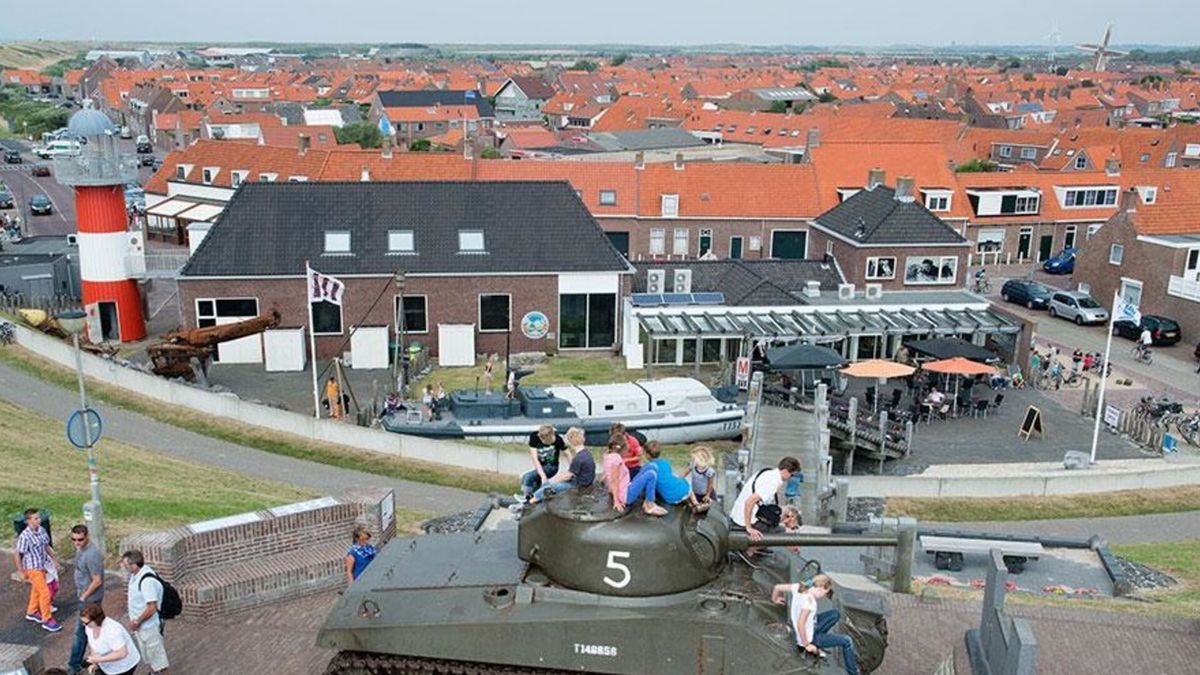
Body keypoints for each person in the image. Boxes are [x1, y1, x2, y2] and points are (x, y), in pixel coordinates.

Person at [772, 575, 859, 675]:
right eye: (825, 593)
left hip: (813, 625)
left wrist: (775, 599)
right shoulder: (809, 603)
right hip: (809, 637)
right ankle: (853, 673)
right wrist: (807, 645)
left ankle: (819, 644)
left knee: (835, 614)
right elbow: (801, 624)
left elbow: (777, 587)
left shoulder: (799, 587)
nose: (823, 596)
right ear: (821, 588)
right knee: (847, 641)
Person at [120, 550, 169, 675]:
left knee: (159, 659)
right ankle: (155, 673)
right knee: (151, 655)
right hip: (143, 627)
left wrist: (137, 621)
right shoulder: (137, 575)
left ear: (134, 565)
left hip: (149, 626)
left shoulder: (146, 582)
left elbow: (151, 607)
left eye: (126, 565)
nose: (124, 567)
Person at [14, 508, 62, 632]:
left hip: (42, 566)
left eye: (38, 517)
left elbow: (46, 546)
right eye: (35, 518)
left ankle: (32, 611)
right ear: (28, 521)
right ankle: (47, 620)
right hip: (32, 568)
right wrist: (20, 571)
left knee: (37, 590)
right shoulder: (25, 536)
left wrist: (55, 561)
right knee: (45, 593)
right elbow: (18, 554)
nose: (39, 520)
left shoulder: (42, 531)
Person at [730, 457, 800, 541]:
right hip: (744, 520)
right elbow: (749, 501)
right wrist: (749, 528)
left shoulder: (767, 472)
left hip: (737, 514)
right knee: (784, 532)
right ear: (785, 471)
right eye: (791, 475)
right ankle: (750, 552)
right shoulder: (772, 482)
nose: (790, 478)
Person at [68, 525, 105, 675]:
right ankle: (87, 660)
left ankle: (73, 665)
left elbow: (97, 580)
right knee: (88, 630)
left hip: (89, 600)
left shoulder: (91, 555)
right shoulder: (81, 549)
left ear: (87, 537)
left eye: (80, 539)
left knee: (81, 632)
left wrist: (84, 596)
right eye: (74, 539)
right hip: (85, 597)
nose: (77, 542)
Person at [602, 436, 666, 516]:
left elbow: (608, 473)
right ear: (623, 449)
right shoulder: (616, 459)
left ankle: (648, 498)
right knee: (651, 474)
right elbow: (614, 480)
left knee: (651, 466)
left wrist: (604, 479)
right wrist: (616, 501)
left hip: (626, 486)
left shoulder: (608, 455)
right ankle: (649, 504)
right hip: (626, 495)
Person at [530, 427, 595, 503]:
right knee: (550, 482)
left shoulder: (578, 458)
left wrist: (552, 480)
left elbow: (568, 475)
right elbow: (572, 472)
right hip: (583, 482)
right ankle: (535, 495)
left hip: (578, 485)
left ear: (571, 441)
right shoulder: (586, 453)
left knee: (551, 487)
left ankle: (532, 500)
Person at [80, 603, 141, 675]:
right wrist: (94, 663)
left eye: (86, 623)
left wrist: (98, 660)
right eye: (83, 622)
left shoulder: (112, 630)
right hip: (107, 665)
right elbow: (93, 646)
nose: (84, 625)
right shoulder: (89, 627)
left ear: (96, 620)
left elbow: (121, 653)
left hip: (124, 666)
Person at [517, 425, 567, 502]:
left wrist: (573, 469)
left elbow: (568, 453)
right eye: (541, 440)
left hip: (552, 467)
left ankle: (527, 498)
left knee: (528, 477)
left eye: (545, 441)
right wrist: (542, 475)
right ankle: (531, 495)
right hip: (540, 465)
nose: (543, 442)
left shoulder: (558, 440)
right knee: (527, 478)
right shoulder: (534, 436)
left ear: (551, 436)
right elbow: (535, 458)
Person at [644, 442, 691, 508]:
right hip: (684, 488)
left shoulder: (648, 467)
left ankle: (686, 501)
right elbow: (667, 476)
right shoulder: (665, 462)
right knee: (680, 485)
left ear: (647, 455)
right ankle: (690, 502)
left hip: (670, 497)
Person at [682, 446, 716, 512]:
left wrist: (708, 495)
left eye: (695, 459)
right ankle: (695, 507)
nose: (694, 460)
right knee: (692, 503)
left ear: (702, 460)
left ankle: (703, 507)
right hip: (695, 492)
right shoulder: (693, 465)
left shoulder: (709, 471)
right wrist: (679, 479)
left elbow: (710, 484)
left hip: (705, 494)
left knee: (709, 508)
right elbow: (684, 473)